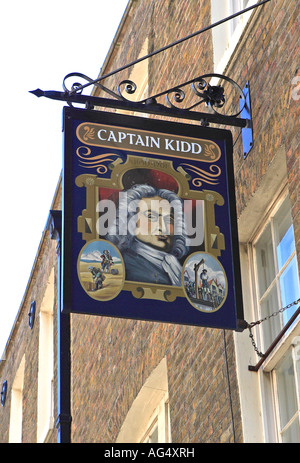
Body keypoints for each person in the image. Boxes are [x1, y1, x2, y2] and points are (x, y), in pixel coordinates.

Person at [105, 184, 189, 286]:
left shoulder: (174, 267)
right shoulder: (126, 266)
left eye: (169, 219)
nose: (163, 227)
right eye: (151, 216)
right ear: (129, 219)